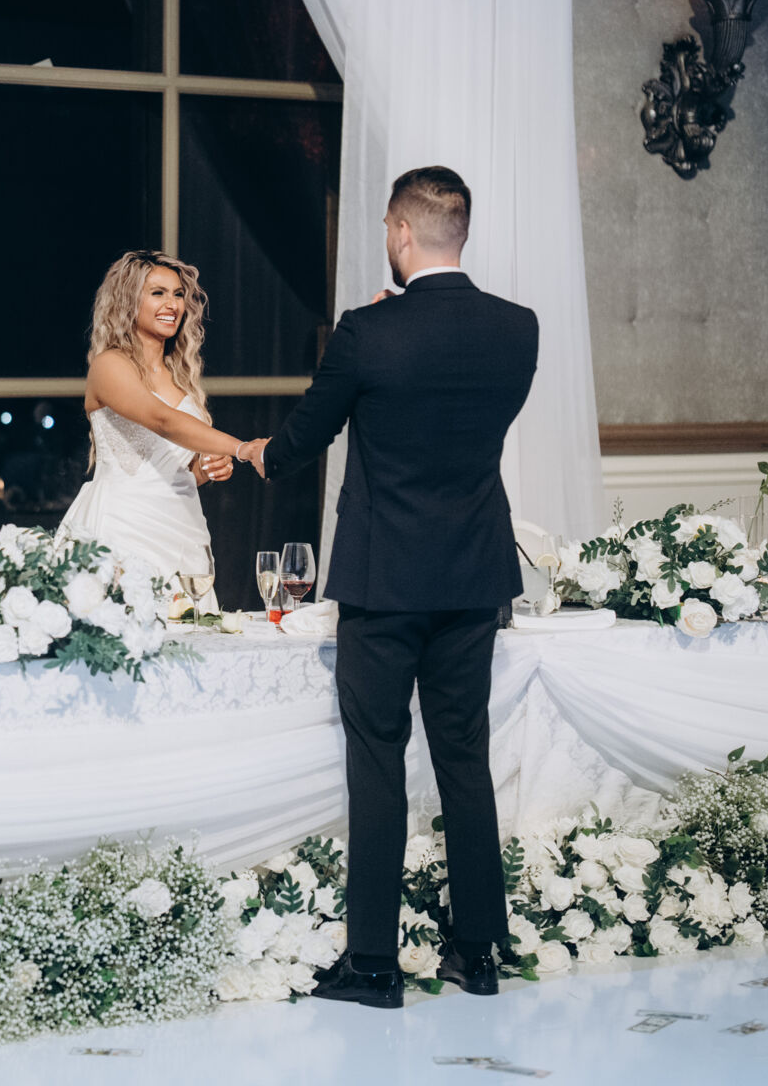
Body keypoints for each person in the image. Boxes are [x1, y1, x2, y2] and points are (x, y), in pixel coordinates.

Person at [238, 166, 539, 1009]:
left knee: (377, 762)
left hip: (384, 579)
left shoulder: (367, 331)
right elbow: (455, 417)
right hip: (473, 575)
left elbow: (304, 437)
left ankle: (372, 964)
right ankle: (478, 953)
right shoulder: (518, 328)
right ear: (460, 232)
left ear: (402, 233)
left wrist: (260, 454)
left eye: (386, 229)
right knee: (464, 759)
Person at [57, 250, 244, 580]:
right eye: (158, 293)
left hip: (180, 528)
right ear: (128, 302)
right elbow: (162, 420)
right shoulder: (109, 365)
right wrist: (244, 448)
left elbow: (178, 471)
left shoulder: (180, 377)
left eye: (178, 295)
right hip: (122, 526)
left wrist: (204, 468)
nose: (172, 305)